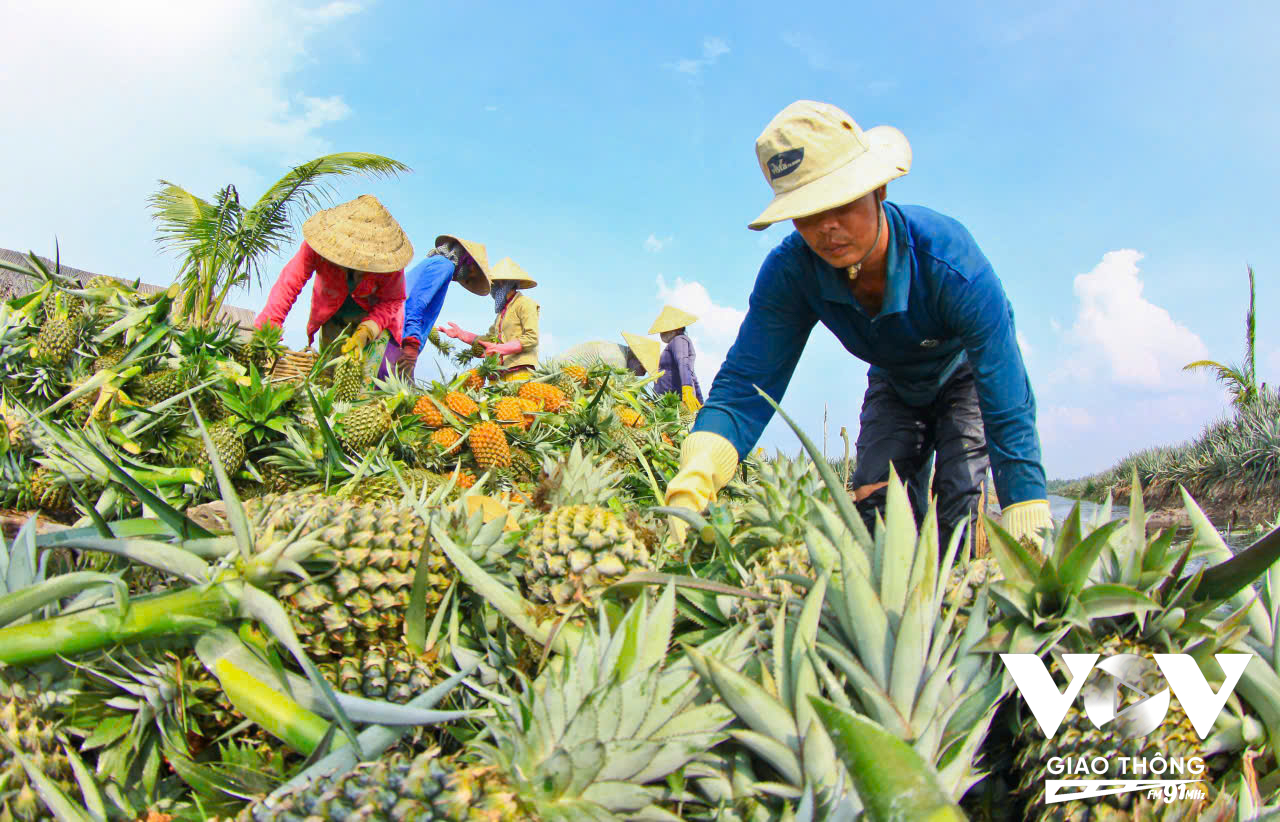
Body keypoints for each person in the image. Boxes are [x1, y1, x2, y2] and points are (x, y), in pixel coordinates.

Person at [664, 100, 1051, 547]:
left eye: (842, 202)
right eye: (807, 211)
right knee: (874, 501)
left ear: (878, 189)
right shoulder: (792, 272)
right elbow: (746, 384)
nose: (827, 226)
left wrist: (1027, 512)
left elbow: (1006, 396)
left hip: (962, 377)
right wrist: (697, 472)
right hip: (895, 380)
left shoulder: (951, 261)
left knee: (959, 504)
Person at [256, 195, 411, 365]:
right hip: (333, 318)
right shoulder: (319, 245)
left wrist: (367, 331)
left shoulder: (388, 262)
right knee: (327, 374)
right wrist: (268, 327)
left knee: (367, 380)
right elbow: (290, 283)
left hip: (377, 323)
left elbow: (393, 300)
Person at [379, 234, 492, 380]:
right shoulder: (444, 266)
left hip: (394, 333)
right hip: (396, 339)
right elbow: (415, 304)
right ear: (468, 261)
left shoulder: (436, 263)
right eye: (472, 272)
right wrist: (411, 343)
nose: (468, 278)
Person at [437, 257, 539, 381]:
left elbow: (532, 338)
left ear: (502, 283)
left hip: (518, 371)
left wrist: (499, 348)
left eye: (493, 285)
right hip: (497, 373)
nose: (492, 290)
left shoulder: (525, 304)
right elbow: (488, 340)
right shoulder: (502, 313)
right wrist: (462, 335)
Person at [649, 306, 703, 411]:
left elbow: (683, 363)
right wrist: (701, 402)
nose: (661, 333)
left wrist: (687, 389)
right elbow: (691, 374)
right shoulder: (674, 343)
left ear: (676, 329)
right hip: (665, 402)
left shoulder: (679, 340)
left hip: (674, 402)